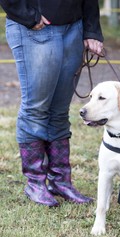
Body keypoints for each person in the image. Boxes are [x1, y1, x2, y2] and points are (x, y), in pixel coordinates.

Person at [0, 0, 104, 206]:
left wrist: (92, 30)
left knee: (59, 111)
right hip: (35, 30)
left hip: (73, 27)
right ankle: (35, 183)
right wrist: (27, 15)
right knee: (36, 109)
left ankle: (61, 181)